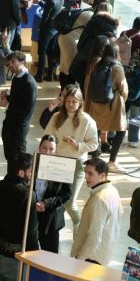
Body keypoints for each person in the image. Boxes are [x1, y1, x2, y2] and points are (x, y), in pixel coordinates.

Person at [44, 84, 99, 227]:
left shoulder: (86, 120)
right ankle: (53, 227)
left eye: (74, 101)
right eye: (68, 101)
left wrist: (78, 145)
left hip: (76, 165)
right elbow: (47, 136)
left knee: (69, 203)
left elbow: (94, 144)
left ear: (80, 102)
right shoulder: (57, 116)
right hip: (57, 162)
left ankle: (78, 228)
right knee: (52, 197)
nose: (70, 104)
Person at [70, 158, 123, 266]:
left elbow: (94, 237)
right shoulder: (113, 191)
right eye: (85, 173)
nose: (86, 177)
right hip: (103, 255)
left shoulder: (99, 200)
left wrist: (79, 259)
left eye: (90, 174)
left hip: (90, 259)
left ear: (103, 175)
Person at [85, 43, 128, 173]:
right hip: (112, 105)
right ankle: (112, 161)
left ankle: (94, 158)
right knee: (121, 131)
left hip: (96, 103)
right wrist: (123, 99)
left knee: (96, 129)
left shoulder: (97, 64)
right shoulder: (117, 67)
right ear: (116, 53)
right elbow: (124, 89)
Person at [34, 136, 72, 253]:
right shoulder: (32, 163)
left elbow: (66, 194)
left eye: (51, 149)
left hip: (50, 217)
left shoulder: (62, 167)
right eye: (44, 148)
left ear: (56, 151)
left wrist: (46, 203)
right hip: (31, 214)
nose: (47, 152)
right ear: (39, 148)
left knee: (50, 254)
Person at [0, 51, 37, 165]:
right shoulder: (16, 77)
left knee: (18, 158)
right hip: (10, 123)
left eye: (13, 62)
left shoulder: (29, 83)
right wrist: (7, 98)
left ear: (22, 62)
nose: (10, 65)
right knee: (9, 156)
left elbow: (27, 109)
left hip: (19, 127)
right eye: (9, 62)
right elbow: (18, 99)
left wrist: (10, 105)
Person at [36, 0, 64, 82]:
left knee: (42, 52)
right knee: (50, 51)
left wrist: (40, 27)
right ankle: (50, 74)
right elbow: (51, 8)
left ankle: (39, 76)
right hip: (54, 29)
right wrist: (39, 2)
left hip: (46, 29)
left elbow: (45, 16)